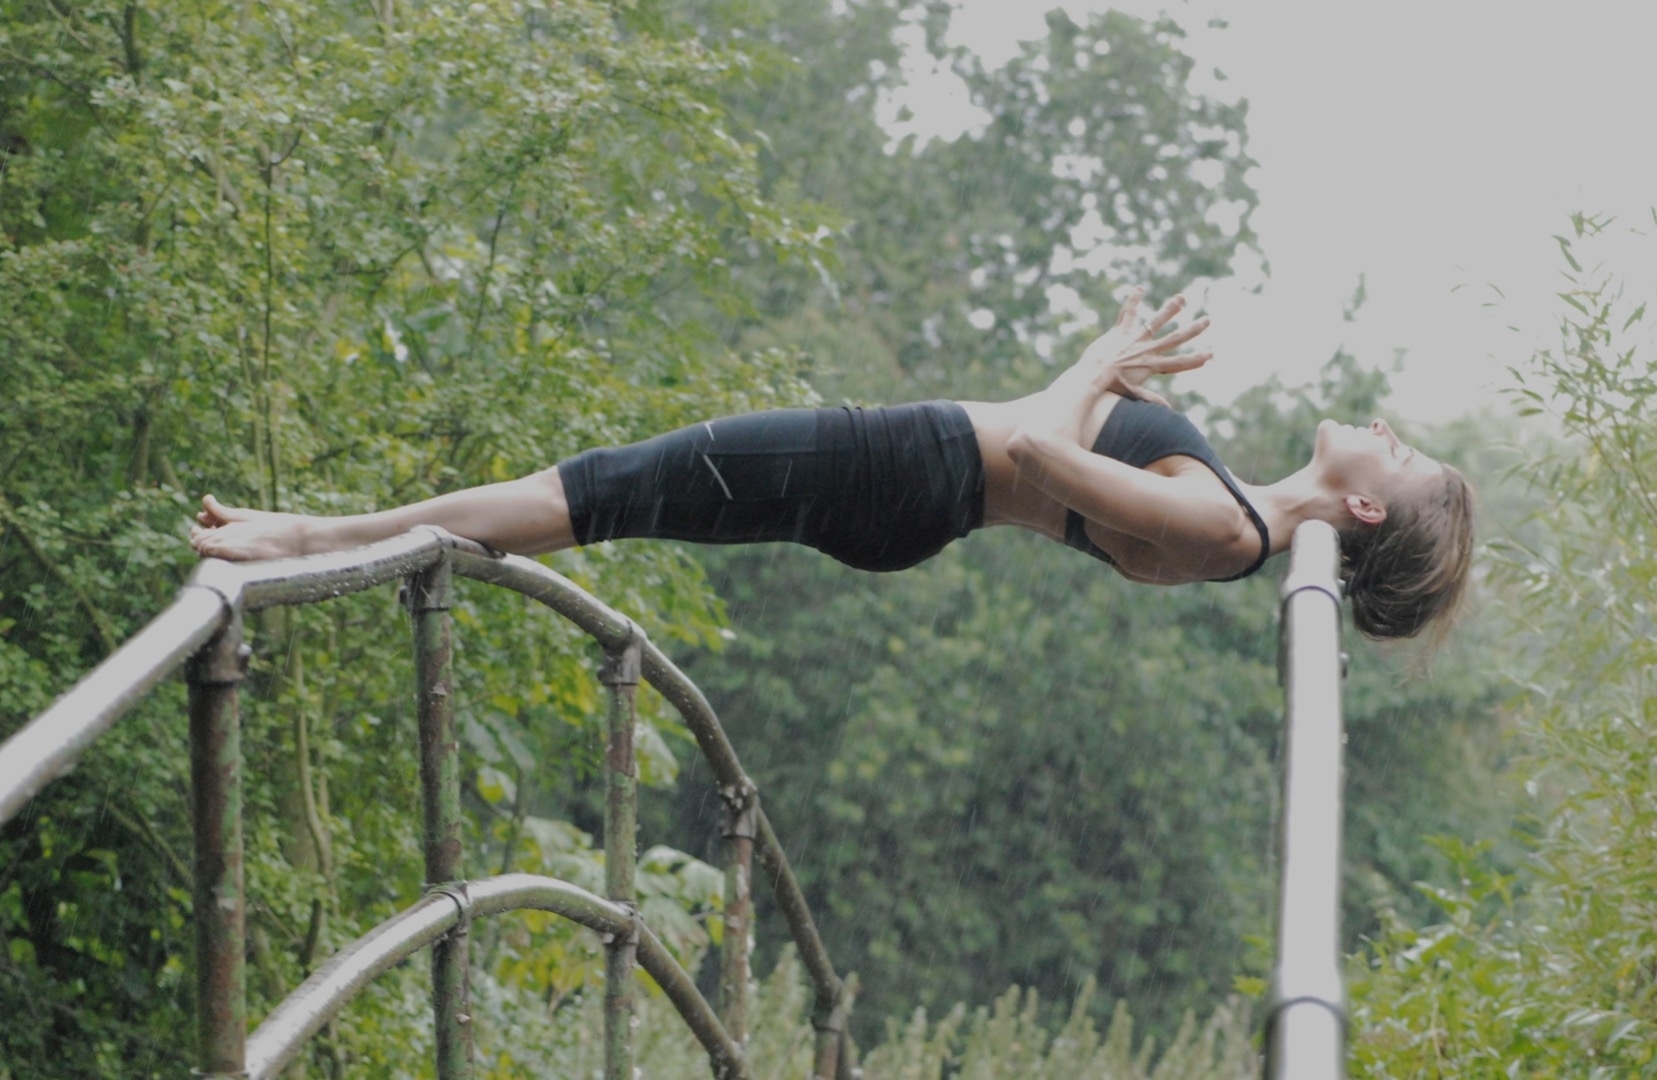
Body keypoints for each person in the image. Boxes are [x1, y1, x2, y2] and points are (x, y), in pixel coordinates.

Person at [191, 288, 1474, 640]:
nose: (1381, 421)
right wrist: (1114, 377)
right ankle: (317, 533)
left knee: (591, 491)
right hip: (907, 485)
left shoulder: (1227, 531)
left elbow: (1037, 446)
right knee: (600, 490)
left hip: (900, 471)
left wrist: (1099, 360)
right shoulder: (1233, 513)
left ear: (1365, 504)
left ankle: (308, 539)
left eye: (1398, 451)